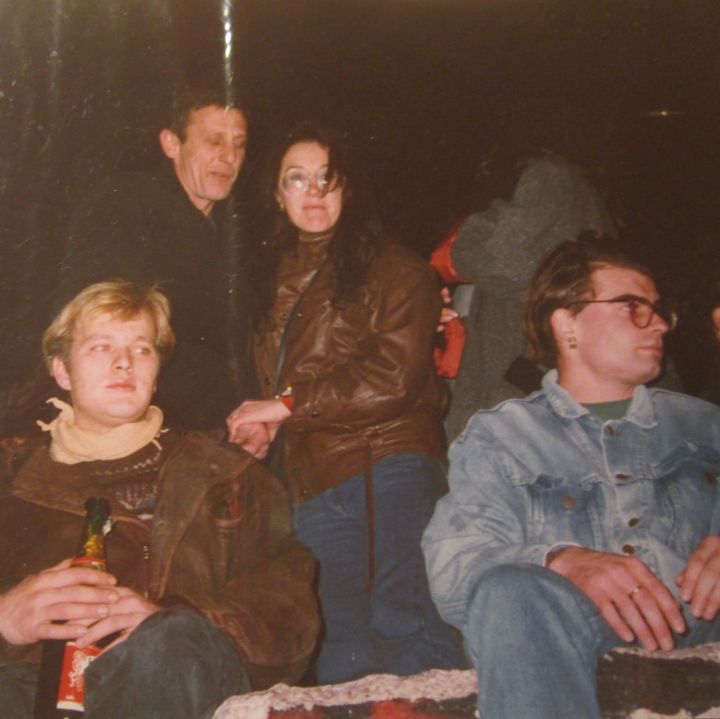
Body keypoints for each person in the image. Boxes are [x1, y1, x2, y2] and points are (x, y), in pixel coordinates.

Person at [422, 233, 720, 719]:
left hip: (699, 621)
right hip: (569, 629)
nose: (660, 324)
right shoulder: (503, 437)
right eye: (634, 307)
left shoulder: (703, 424)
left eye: (660, 310)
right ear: (568, 324)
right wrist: (559, 559)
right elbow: (455, 566)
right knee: (508, 592)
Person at [0, 281, 319, 719]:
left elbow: (290, 608)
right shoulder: (10, 483)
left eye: (142, 349)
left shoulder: (228, 474)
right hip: (44, 692)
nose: (123, 363)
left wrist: (175, 616)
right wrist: (3, 619)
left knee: (168, 641)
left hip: (186, 680)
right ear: (61, 371)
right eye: (100, 347)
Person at [226, 123, 466, 684]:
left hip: (384, 463)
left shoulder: (395, 267)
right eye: (297, 179)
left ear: (348, 190)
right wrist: (268, 427)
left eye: (327, 180)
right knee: (339, 642)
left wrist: (283, 407)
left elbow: (392, 377)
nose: (313, 192)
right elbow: (288, 379)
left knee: (402, 621)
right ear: (276, 195)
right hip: (312, 480)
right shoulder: (268, 276)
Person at [4, 87, 253, 434]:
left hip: (219, 424)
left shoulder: (238, 230)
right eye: (214, 141)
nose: (229, 157)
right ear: (171, 143)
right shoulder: (127, 206)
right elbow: (105, 328)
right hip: (151, 426)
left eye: (238, 144)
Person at [430, 103, 618, 441]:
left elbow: (494, 260)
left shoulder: (550, 177)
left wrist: (461, 238)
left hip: (532, 381)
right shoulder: (559, 182)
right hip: (527, 376)